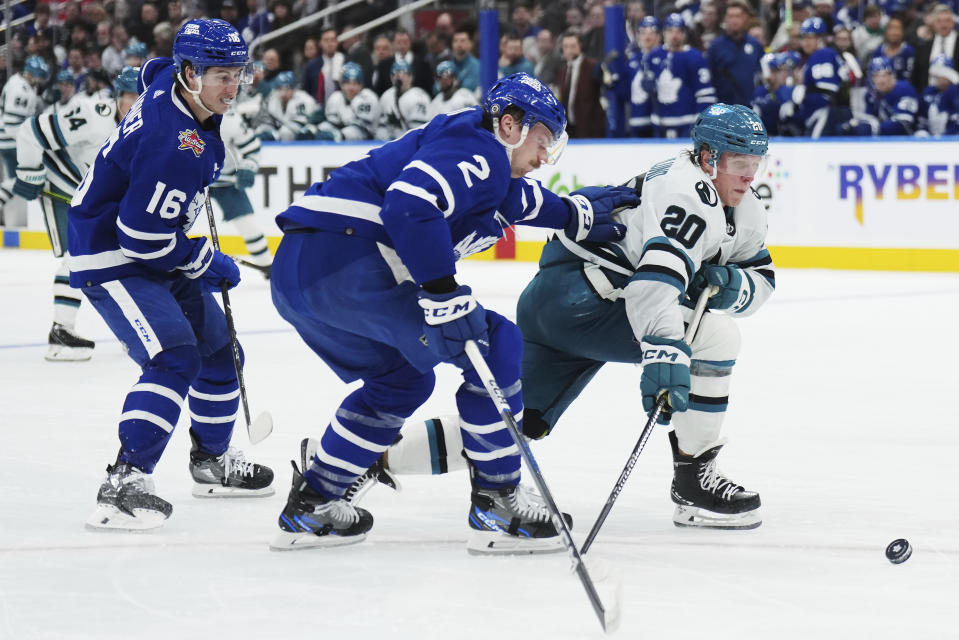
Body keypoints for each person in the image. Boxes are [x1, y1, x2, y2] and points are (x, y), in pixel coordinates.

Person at [267, 72, 640, 552]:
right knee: (497, 343)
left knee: (402, 381)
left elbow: (518, 201)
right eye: (543, 140)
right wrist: (442, 292)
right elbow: (410, 204)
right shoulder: (481, 150)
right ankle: (497, 502)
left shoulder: (476, 154)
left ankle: (314, 502)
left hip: (302, 276)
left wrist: (574, 214)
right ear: (510, 126)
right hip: (346, 264)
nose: (545, 156)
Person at [358, 103, 773, 532]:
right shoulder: (688, 191)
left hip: (560, 299)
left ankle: (361, 456)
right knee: (716, 336)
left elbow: (762, 279)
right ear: (708, 158)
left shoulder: (744, 208)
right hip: (586, 299)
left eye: (755, 164)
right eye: (739, 163)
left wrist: (732, 286)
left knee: (515, 421)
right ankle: (694, 484)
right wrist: (664, 349)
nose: (748, 176)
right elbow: (654, 283)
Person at [68, 19, 275, 531]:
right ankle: (125, 483)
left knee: (221, 352)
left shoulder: (171, 82)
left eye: (237, 75)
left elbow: (150, 71)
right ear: (190, 73)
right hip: (112, 252)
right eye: (219, 76)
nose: (232, 88)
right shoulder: (173, 143)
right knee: (175, 357)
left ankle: (210, 462)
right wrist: (207, 262)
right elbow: (139, 238)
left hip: (151, 245)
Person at [2, 68, 139, 362]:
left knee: (98, 257)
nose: (136, 103)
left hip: (88, 194)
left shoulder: (147, 128)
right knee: (80, 255)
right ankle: (62, 332)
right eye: (130, 97)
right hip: (62, 183)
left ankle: (72, 331)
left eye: (142, 97)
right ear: (117, 98)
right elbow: (30, 132)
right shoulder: (94, 116)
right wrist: (29, 171)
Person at [209, 102, 273, 277]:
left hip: (225, 183)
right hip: (191, 182)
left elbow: (252, 150)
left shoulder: (231, 119)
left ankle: (267, 266)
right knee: (175, 223)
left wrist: (247, 167)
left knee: (248, 224)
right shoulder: (182, 114)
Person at [647, 13, 716, 138]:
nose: (674, 35)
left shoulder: (695, 57)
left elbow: (705, 95)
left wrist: (701, 123)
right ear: (664, 33)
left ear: (684, 34)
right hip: (660, 123)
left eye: (679, 31)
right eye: (670, 31)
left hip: (687, 123)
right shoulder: (654, 56)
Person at [839, 56, 919, 135]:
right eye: (876, 75)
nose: (881, 80)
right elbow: (869, 119)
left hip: (915, 138)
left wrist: (871, 128)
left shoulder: (904, 89)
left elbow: (902, 125)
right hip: (888, 140)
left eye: (885, 75)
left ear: (893, 75)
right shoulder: (871, 95)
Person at [707, 0, 764, 107]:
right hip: (724, 108)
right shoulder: (715, 46)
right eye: (730, 16)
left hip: (750, 107)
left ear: (745, 18)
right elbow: (710, 78)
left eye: (738, 16)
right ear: (725, 19)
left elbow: (762, 75)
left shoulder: (755, 45)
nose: (734, 20)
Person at [318, 61, 380, 141]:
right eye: (347, 83)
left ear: (361, 85)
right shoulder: (336, 97)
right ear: (341, 85)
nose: (351, 88)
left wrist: (339, 134)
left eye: (355, 83)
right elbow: (332, 123)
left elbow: (363, 131)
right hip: (342, 135)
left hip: (368, 143)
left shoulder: (368, 97)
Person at [257, 70, 322, 141]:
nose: (283, 93)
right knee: (260, 131)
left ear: (294, 88)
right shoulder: (272, 99)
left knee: (285, 132)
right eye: (280, 89)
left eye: (287, 89)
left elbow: (300, 123)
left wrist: (275, 135)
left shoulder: (304, 99)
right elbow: (267, 122)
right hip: (283, 130)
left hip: (307, 130)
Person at [375, 59, 430, 141]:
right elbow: (382, 127)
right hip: (391, 143)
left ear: (411, 77)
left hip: (410, 145)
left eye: (404, 74)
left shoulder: (419, 97)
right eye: (396, 75)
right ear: (391, 77)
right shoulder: (386, 96)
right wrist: (384, 141)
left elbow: (419, 131)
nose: (400, 78)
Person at [916, 54, 959, 136]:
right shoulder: (928, 92)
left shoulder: (956, 91)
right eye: (936, 75)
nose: (938, 77)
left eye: (941, 74)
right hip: (932, 138)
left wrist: (946, 135)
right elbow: (921, 118)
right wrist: (923, 131)